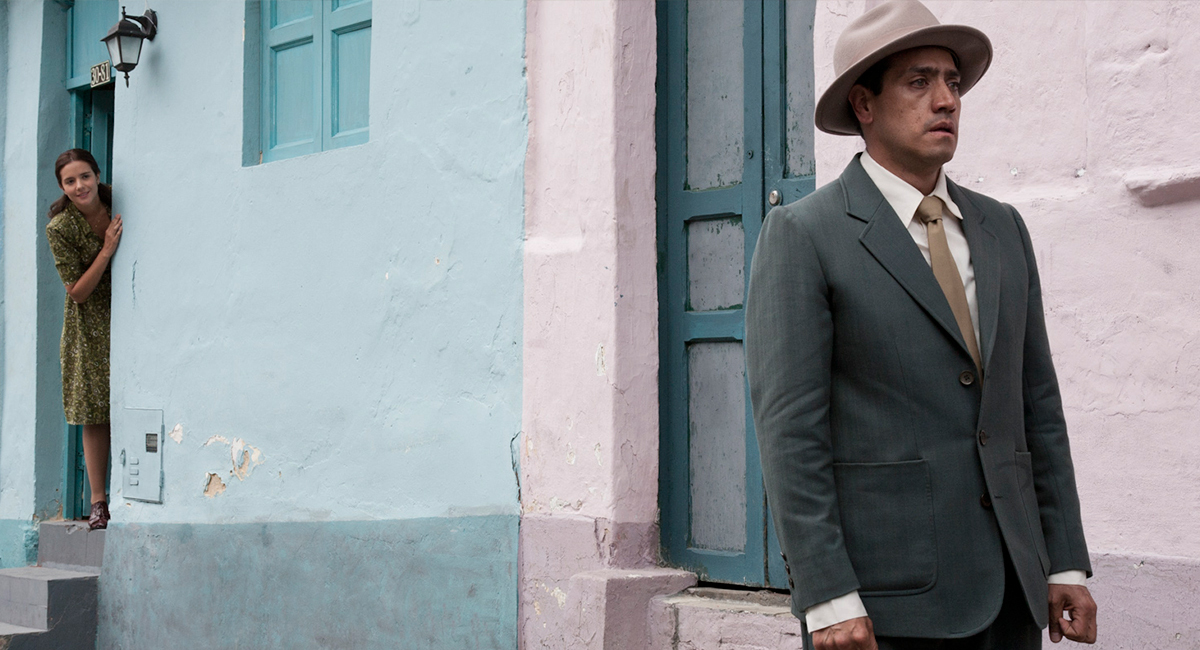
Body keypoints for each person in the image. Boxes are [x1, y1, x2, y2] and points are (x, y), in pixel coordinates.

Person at [745, 2, 1097, 648]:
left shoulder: (1002, 229)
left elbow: (1036, 404)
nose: (946, 100)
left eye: (953, 83)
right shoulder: (804, 235)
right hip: (885, 603)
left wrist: (1064, 559)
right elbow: (790, 434)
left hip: (1013, 590)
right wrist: (826, 594)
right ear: (864, 104)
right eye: (919, 82)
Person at [45, 149, 122, 530]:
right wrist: (106, 249)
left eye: (85, 176)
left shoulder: (118, 202)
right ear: (62, 187)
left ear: (97, 175)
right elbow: (76, 291)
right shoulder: (60, 228)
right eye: (70, 181)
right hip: (88, 324)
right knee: (94, 410)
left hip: (128, 310)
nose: (80, 186)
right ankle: (98, 501)